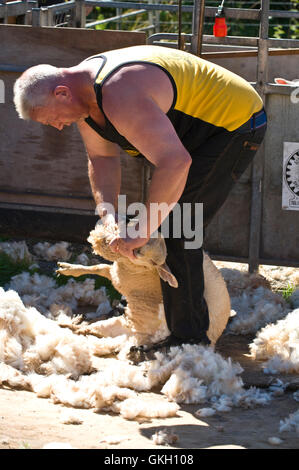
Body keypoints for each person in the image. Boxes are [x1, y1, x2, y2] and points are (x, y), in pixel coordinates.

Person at [13, 45, 267, 358]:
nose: (58, 126)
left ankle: (190, 343)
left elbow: (175, 162)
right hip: (186, 133)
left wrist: (143, 229)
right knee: (166, 223)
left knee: (178, 225)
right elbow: (102, 160)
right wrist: (110, 217)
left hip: (233, 122)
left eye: (53, 118)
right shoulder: (84, 103)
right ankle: (172, 322)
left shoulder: (118, 92)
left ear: (62, 93)